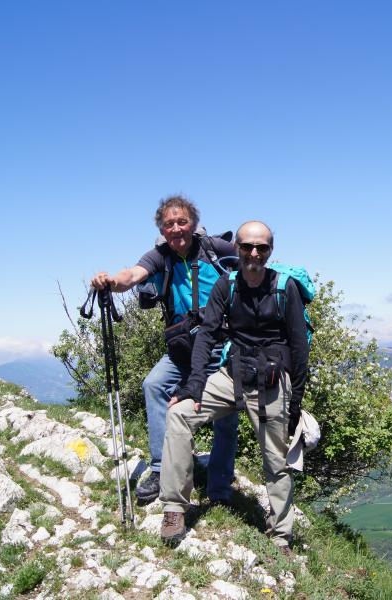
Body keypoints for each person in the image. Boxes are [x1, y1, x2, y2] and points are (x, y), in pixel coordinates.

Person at [159, 221, 309, 554]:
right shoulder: (226, 285)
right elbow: (207, 335)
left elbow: (300, 348)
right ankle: (174, 508)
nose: (254, 253)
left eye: (261, 247)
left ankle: (281, 536)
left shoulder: (284, 288)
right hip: (232, 376)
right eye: (247, 247)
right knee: (179, 414)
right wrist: (194, 384)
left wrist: (295, 401)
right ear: (237, 249)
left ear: (270, 251)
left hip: (272, 382)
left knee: (276, 458)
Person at [91, 194, 238, 504]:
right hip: (183, 348)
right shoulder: (160, 256)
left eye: (182, 222)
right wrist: (111, 282)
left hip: (221, 345)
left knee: (226, 414)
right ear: (162, 229)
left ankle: (220, 483)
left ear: (193, 224)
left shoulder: (216, 249)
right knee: (154, 385)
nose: (176, 229)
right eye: (169, 224)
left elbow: (250, 264)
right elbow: (132, 275)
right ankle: (160, 469)